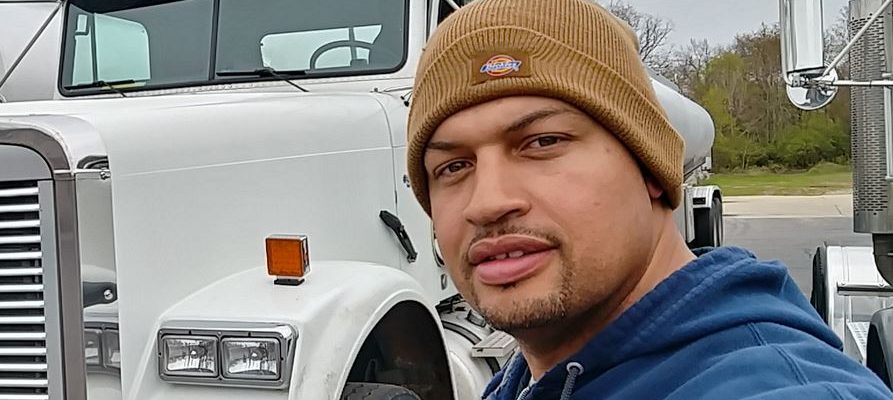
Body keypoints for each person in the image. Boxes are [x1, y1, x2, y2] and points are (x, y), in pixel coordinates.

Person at [404, 0, 893, 399]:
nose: (487, 203)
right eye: (453, 167)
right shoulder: (532, 380)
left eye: (543, 142)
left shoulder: (779, 387)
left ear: (650, 169)